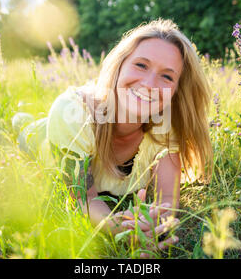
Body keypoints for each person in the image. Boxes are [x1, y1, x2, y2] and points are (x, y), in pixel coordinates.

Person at [12, 18, 213, 257]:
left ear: (177, 90)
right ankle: (22, 121)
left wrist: (152, 229)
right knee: (26, 131)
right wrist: (116, 228)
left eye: (167, 77)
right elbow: (82, 198)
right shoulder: (72, 114)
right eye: (141, 65)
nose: (149, 84)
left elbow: (167, 199)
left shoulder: (166, 123)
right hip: (43, 137)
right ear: (120, 65)